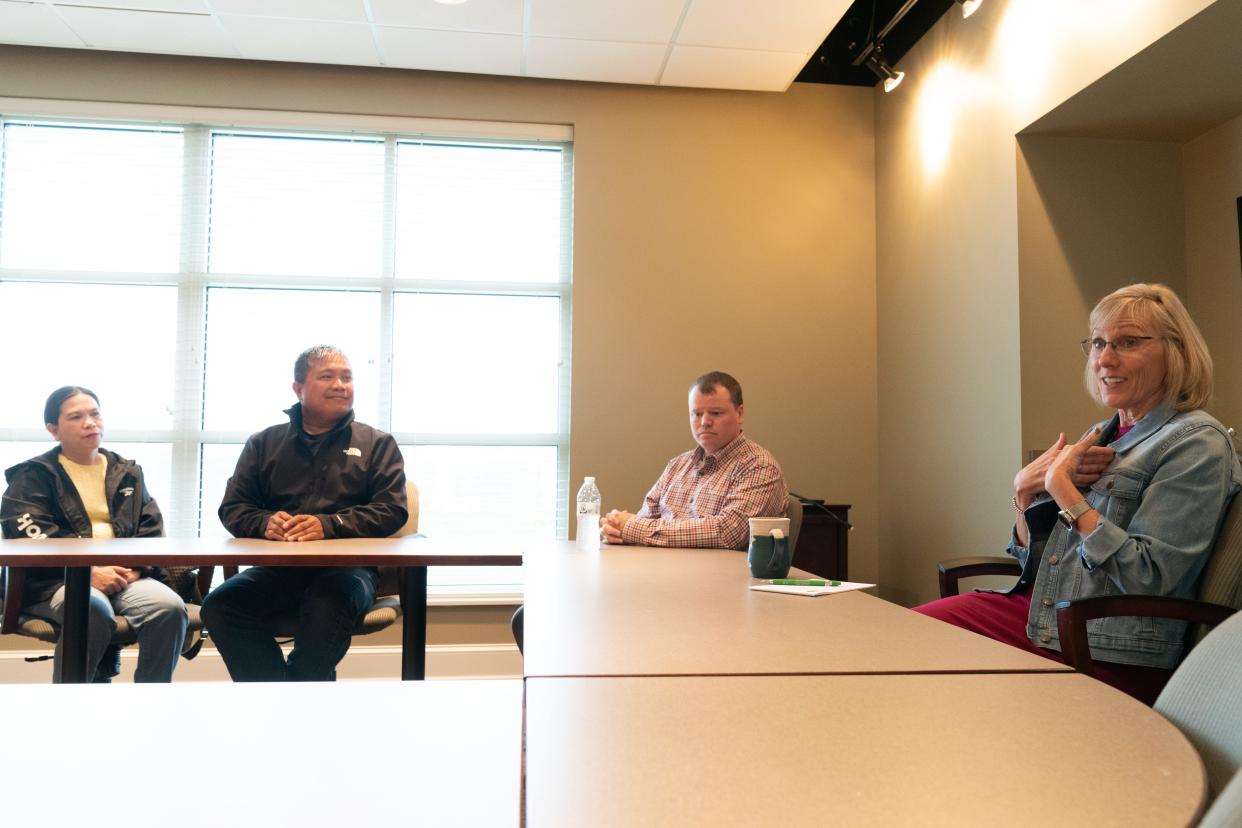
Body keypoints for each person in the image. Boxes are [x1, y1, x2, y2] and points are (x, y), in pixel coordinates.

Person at [914, 283, 1241, 705]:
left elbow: (1149, 577)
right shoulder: (1103, 434)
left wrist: (1066, 492)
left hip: (1103, 647)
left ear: (1175, 352)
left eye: (1127, 342)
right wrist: (1024, 494)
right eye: (1099, 343)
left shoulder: (1195, 443)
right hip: (1046, 617)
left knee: (914, 654)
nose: (1105, 359)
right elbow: (1039, 561)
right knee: (905, 637)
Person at [202, 345, 407, 681]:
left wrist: (329, 525)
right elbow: (234, 508)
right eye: (327, 376)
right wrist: (266, 523)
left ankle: (302, 692)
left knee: (328, 601)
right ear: (298, 389)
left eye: (347, 377)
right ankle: (274, 694)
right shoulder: (264, 443)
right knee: (220, 605)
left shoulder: (377, 443)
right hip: (279, 571)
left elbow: (392, 510)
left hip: (348, 573)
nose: (340, 385)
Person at [1, 386, 188, 683]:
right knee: (89, 609)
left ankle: (154, 700)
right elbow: (30, 538)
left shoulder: (127, 472)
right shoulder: (32, 477)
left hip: (126, 575)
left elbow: (151, 530)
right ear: (53, 429)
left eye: (95, 413)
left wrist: (135, 569)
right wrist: (87, 572)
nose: (90, 423)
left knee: (169, 608)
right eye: (76, 417)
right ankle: (71, 706)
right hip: (56, 581)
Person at [601, 371, 789, 549]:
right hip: (660, 570)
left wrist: (632, 528)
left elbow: (727, 532)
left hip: (719, 578)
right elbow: (642, 520)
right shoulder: (677, 465)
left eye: (715, 413)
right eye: (697, 414)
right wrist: (617, 530)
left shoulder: (759, 466)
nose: (704, 422)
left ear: (739, 414)